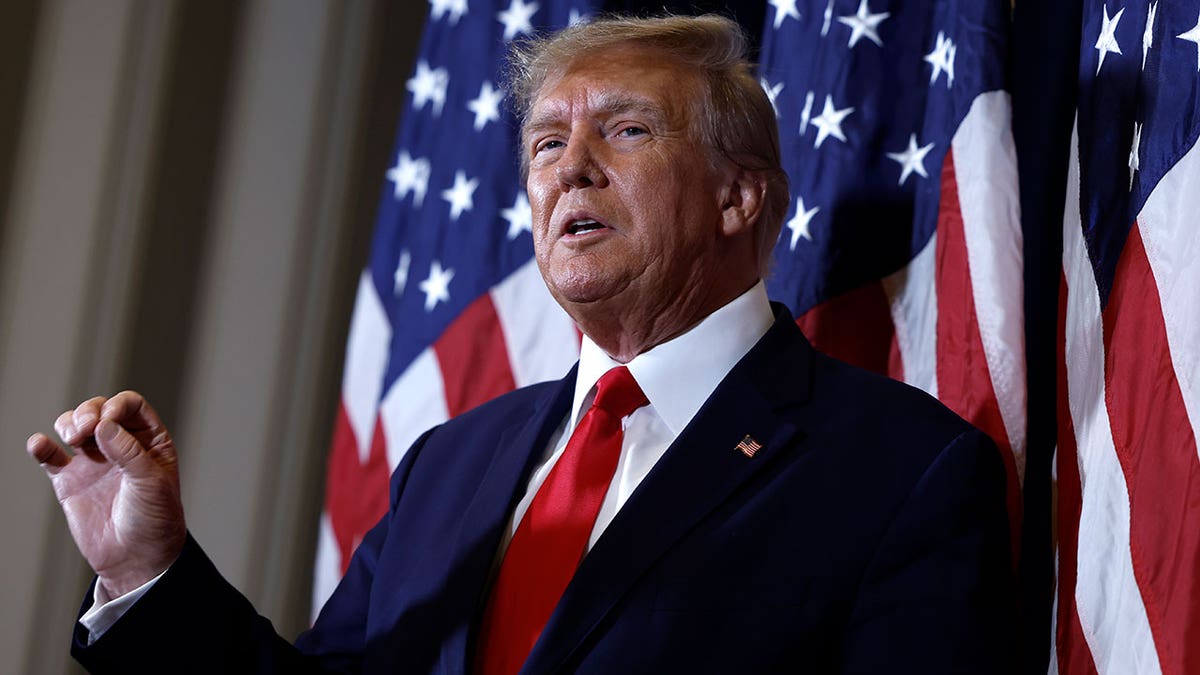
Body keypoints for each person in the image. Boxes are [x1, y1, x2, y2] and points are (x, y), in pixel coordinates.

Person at [26, 14, 1015, 674]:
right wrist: (147, 570)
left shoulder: (900, 470)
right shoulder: (449, 465)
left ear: (736, 194)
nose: (570, 169)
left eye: (624, 131)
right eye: (546, 143)